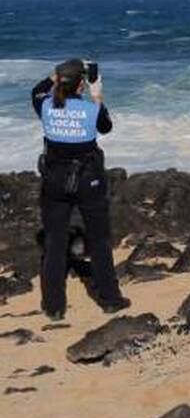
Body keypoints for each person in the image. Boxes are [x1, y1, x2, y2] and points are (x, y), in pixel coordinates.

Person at [30, 59, 129, 320]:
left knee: (54, 243)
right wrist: (97, 96)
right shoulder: (90, 109)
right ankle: (110, 299)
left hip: (55, 181)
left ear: (59, 80)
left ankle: (53, 307)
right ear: (81, 84)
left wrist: (58, 75)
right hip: (88, 181)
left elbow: (37, 90)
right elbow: (106, 127)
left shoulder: (46, 106)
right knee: (98, 240)